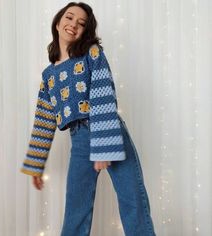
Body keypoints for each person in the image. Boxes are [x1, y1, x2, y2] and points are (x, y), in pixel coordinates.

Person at [20, 2, 156, 236]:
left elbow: (104, 93)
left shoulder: (92, 53)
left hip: (109, 131)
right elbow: (44, 119)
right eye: (69, 18)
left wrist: (103, 147)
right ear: (58, 21)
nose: (73, 25)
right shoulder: (49, 75)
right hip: (80, 140)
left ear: (86, 30)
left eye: (81, 23)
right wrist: (35, 164)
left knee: (132, 200)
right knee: (76, 211)